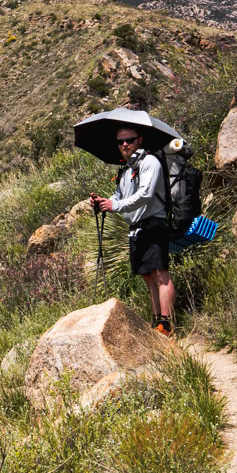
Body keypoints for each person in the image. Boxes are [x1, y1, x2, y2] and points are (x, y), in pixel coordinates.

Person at [90, 126, 176, 336]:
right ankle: (157, 320)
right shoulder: (126, 169)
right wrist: (105, 202)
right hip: (137, 227)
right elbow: (119, 196)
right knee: (148, 275)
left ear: (140, 140)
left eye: (129, 140)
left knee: (160, 273)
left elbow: (145, 194)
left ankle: (166, 324)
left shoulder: (149, 162)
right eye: (121, 142)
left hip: (154, 223)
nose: (125, 144)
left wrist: (115, 207)